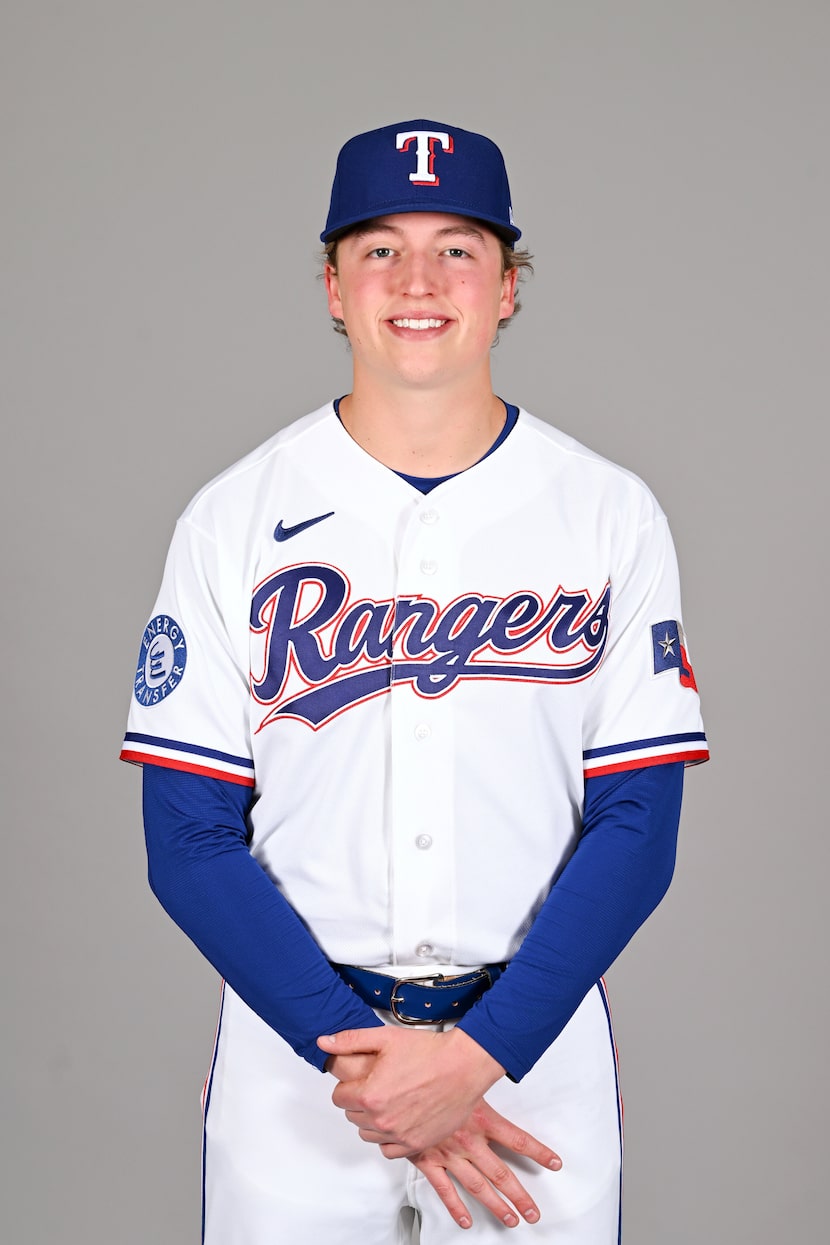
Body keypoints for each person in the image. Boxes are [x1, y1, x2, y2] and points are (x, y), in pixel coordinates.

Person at [121, 119, 708, 1243]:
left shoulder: (607, 512)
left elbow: (638, 823)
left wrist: (478, 1057)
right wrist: (366, 1065)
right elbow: (186, 837)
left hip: (531, 1044)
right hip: (299, 1052)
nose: (418, 281)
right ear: (333, 288)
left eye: (457, 249)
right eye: (380, 249)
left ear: (509, 286)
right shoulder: (232, 516)